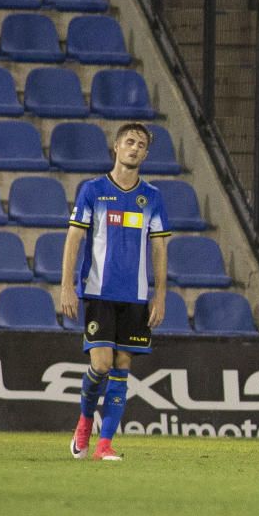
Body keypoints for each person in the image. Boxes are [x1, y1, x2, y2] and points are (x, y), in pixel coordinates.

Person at [62, 122, 171, 461]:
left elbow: (160, 249)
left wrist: (161, 294)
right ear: (116, 147)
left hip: (135, 297)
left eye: (140, 144)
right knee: (102, 364)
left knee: (122, 366)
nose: (134, 148)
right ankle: (84, 422)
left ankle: (105, 444)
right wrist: (67, 285)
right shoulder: (93, 191)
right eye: (129, 141)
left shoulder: (152, 197)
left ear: (146, 154)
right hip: (99, 294)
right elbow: (74, 239)